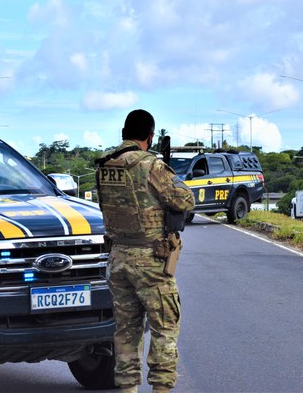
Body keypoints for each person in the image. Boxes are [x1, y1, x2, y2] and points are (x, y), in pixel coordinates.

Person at [95, 109, 194, 393]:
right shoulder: (152, 166)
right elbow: (185, 201)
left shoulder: (104, 165)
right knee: (165, 329)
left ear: (123, 133)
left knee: (126, 332)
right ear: (150, 137)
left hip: (118, 259)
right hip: (151, 261)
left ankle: (127, 389)